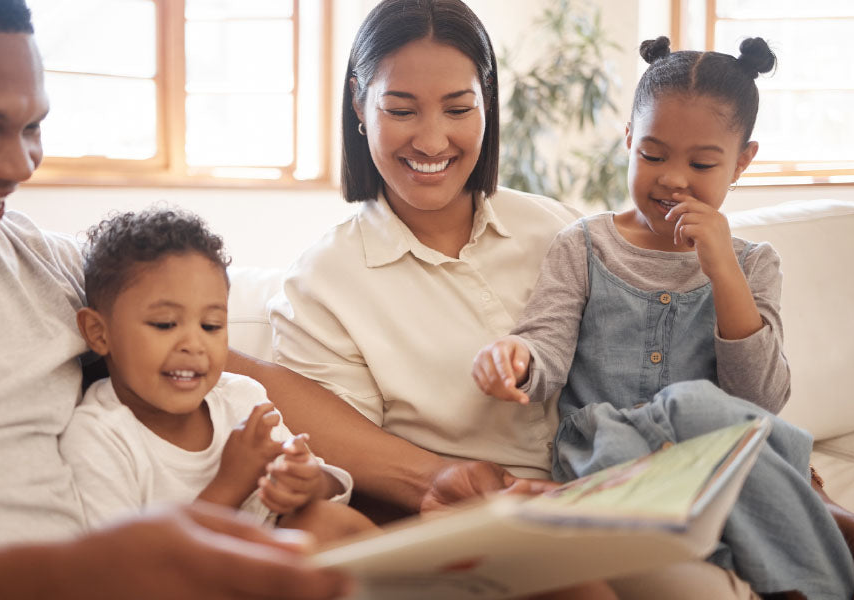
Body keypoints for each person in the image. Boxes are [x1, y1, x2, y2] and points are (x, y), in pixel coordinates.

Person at [268, 0, 766, 597]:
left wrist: (759, 463)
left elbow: (661, 368)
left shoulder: (558, 228)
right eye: (401, 110)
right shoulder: (323, 283)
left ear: (487, 104)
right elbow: (344, 477)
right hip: (481, 527)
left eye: (459, 108)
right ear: (358, 104)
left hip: (613, 493)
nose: (433, 139)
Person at [0, 1, 352, 598]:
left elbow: (213, 365)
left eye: (32, 127)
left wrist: (427, 477)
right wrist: (73, 573)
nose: (20, 167)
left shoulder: (38, 258)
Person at [471, 36, 854, 600]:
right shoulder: (583, 245)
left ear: (742, 161)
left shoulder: (754, 263)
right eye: (652, 155)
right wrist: (518, 358)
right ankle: (790, 525)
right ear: (628, 140)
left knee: (694, 407)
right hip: (610, 448)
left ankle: (806, 571)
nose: (673, 178)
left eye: (701, 163)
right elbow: (547, 344)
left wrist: (723, 272)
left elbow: (761, 399)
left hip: (713, 444)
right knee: (680, 427)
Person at [60, 208, 373, 543]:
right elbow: (129, 568)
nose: (194, 345)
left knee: (324, 518)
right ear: (98, 332)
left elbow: (325, 484)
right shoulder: (98, 437)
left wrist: (307, 482)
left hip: (274, 563)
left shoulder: (243, 399)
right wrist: (231, 484)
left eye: (211, 326)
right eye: (165, 324)